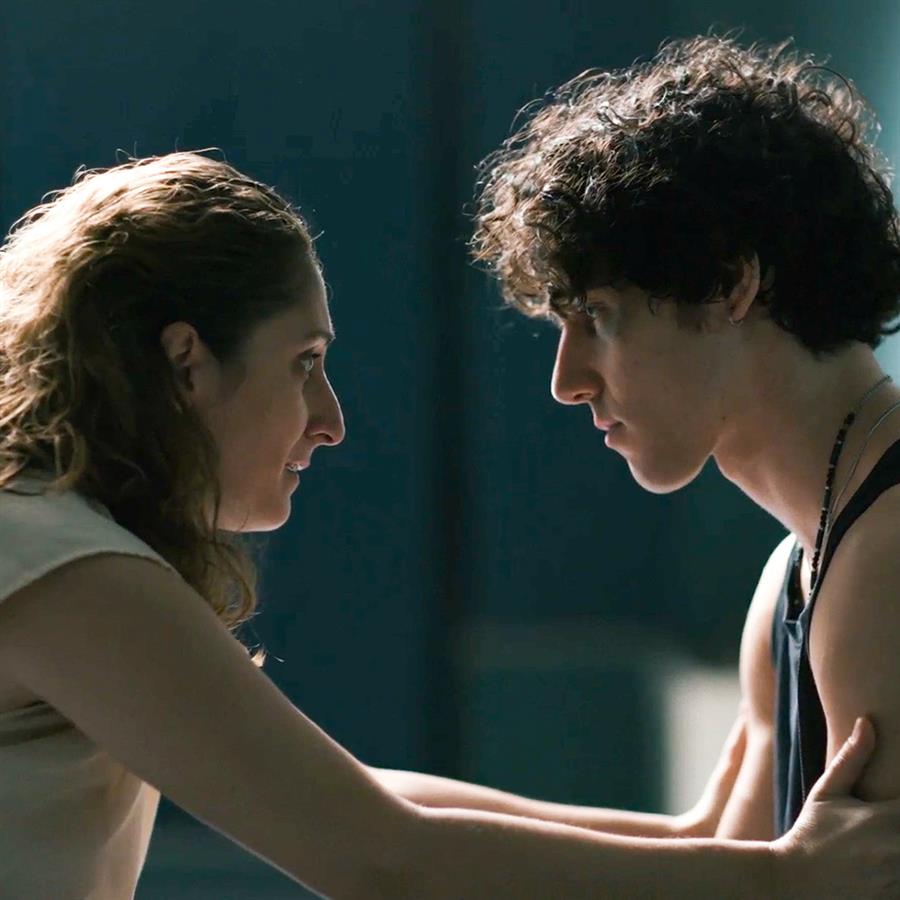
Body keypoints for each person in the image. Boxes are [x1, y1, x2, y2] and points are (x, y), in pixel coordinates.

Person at [0, 152, 897, 900]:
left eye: (597, 318)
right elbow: (379, 854)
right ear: (186, 363)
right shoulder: (64, 566)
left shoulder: (49, 538)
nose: (331, 420)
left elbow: (354, 808)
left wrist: (763, 869)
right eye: (304, 362)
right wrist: (782, 881)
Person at [383, 32, 900, 872]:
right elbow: (719, 854)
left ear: (731, 283)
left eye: (600, 317)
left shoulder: (887, 562)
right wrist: (339, 802)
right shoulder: (799, 568)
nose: (567, 381)